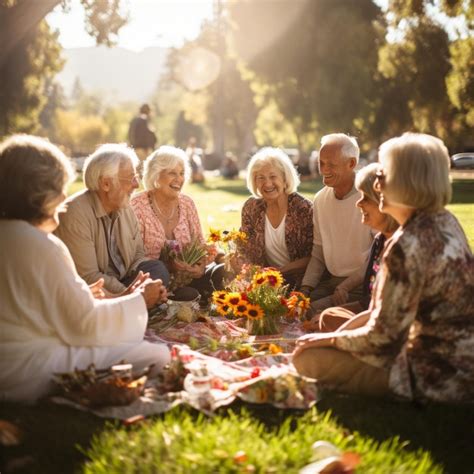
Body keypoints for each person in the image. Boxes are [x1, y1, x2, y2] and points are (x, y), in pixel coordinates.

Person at [293, 133, 474, 403]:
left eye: (384, 173)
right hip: (461, 363)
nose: (375, 180)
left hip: (436, 376)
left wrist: (327, 341)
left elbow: (383, 340)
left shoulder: (407, 244)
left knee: (307, 358)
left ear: (407, 181)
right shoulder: (444, 220)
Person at [0, 135, 170, 403]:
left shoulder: (15, 235)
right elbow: (85, 328)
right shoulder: (43, 245)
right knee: (157, 355)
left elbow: (28, 308)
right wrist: (137, 300)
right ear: (38, 194)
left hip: (15, 361)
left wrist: (89, 296)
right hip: (27, 370)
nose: (65, 197)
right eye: (59, 187)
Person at [55, 143, 170, 298]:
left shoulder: (124, 205)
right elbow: (89, 277)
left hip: (125, 280)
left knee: (157, 269)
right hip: (94, 292)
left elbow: (138, 254)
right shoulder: (74, 214)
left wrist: (144, 284)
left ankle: (146, 305)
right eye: (131, 178)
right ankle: (140, 307)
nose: (136, 184)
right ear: (106, 184)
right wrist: (130, 294)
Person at [131, 145, 224, 301]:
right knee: (161, 274)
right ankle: (175, 299)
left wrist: (200, 266)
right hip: (154, 279)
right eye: (172, 173)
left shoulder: (187, 203)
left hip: (187, 278)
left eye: (182, 173)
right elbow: (134, 258)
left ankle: (189, 297)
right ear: (156, 176)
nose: (179, 179)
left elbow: (200, 244)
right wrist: (169, 266)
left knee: (221, 272)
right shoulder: (137, 206)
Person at [316, 163, 399, 332]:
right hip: (376, 317)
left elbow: (388, 316)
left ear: (384, 201)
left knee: (327, 319)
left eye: (365, 198)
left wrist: (336, 331)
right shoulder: (379, 241)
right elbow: (369, 302)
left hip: (394, 332)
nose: (358, 204)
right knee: (326, 316)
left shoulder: (403, 246)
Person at [300, 134, 373, 312]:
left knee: (311, 313)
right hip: (332, 282)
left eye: (331, 164)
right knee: (291, 309)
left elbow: (378, 257)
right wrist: (305, 289)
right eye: (321, 163)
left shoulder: (370, 198)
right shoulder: (320, 199)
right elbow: (318, 252)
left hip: (363, 284)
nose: (324, 169)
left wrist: (346, 286)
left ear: (352, 164)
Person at [239, 147, 313, 288]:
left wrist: (278, 272)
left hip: (298, 280)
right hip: (262, 280)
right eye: (261, 178)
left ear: (285, 179)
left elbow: (314, 257)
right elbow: (244, 249)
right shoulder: (251, 207)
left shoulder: (303, 208)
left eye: (273, 177)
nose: (267, 184)